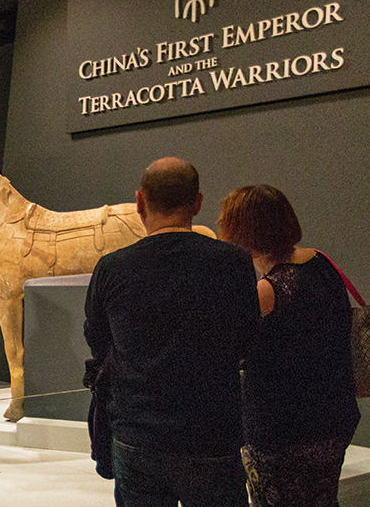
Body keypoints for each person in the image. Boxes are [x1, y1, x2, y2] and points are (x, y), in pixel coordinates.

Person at [83, 157, 258, 507]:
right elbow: (248, 341)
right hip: (212, 436)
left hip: (137, 435)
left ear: (139, 202)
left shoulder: (111, 268)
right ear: (197, 203)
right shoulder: (234, 262)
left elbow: (98, 342)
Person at [218, 185, 360, 507]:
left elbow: (233, 350)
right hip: (333, 418)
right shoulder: (322, 264)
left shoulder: (268, 290)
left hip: (282, 430)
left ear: (243, 232)